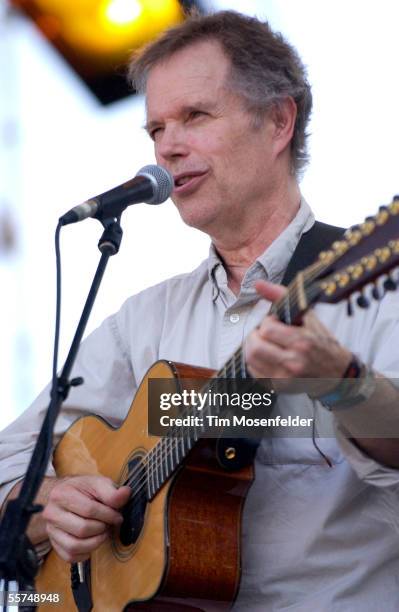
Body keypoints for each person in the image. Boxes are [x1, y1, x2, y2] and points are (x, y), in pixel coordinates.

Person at [1, 10, 399, 611]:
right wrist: (48, 507)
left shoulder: (372, 286)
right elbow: (11, 461)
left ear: (278, 122)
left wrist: (342, 382)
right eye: (156, 129)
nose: (168, 147)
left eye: (195, 117)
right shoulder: (145, 321)